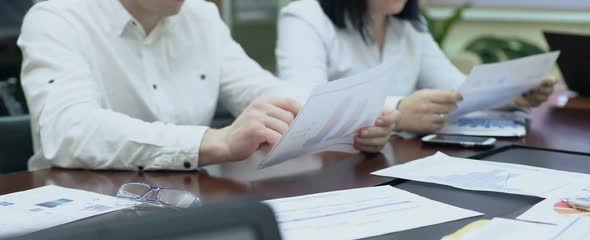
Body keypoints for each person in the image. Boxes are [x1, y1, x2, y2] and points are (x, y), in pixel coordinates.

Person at [19, 0, 397, 171]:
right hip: (83, 211)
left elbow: (262, 91)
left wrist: (348, 122)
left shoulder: (200, 16)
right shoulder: (56, 17)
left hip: (183, 202)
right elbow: (67, 132)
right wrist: (211, 142)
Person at [276, 0, 556, 135]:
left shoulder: (407, 25)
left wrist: (510, 94)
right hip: (331, 170)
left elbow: (457, 89)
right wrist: (397, 111)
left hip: (394, 162)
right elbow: (305, 105)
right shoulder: (304, 17)